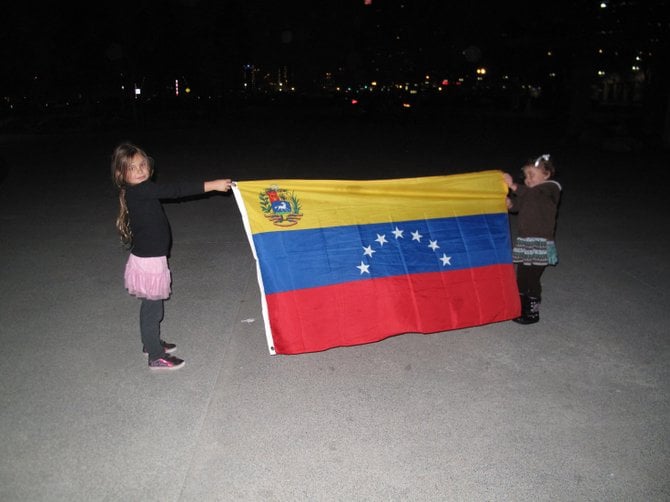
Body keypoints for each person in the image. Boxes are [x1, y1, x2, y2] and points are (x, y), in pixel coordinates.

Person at [111, 142, 232, 370]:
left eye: (142, 164)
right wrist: (212, 185)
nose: (140, 170)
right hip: (149, 262)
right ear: (121, 174)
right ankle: (155, 355)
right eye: (132, 167)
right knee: (152, 309)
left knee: (152, 307)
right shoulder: (142, 190)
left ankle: (151, 343)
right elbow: (176, 190)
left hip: (149, 258)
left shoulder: (138, 190)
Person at [503, 154, 562, 324]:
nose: (527, 179)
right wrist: (510, 204)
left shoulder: (550, 190)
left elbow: (532, 195)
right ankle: (521, 307)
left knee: (532, 279)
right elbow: (520, 205)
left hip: (540, 244)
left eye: (532, 175)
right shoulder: (530, 193)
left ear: (546, 175)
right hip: (526, 242)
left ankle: (533, 312)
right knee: (521, 277)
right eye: (526, 176)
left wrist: (513, 185)